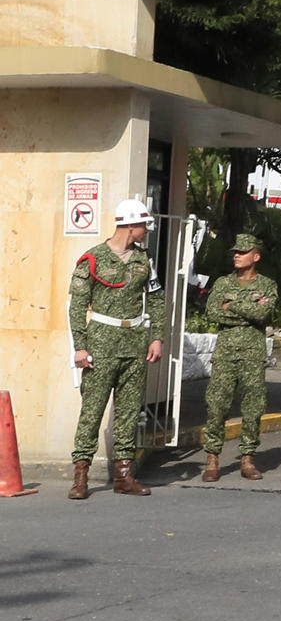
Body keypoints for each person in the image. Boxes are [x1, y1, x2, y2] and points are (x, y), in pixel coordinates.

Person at [68, 196, 165, 499]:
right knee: (92, 410)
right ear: (130, 225)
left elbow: (157, 299)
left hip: (134, 342)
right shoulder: (92, 258)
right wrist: (80, 347)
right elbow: (77, 306)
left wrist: (157, 336)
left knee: (128, 411)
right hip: (100, 342)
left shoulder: (143, 261)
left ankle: (124, 475)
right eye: (143, 226)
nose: (146, 232)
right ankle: (81, 476)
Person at [201, 233, 279, 481]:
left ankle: (248, 458)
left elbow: (263, 314)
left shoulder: (266, 285)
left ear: (255, 256)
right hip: (225, 352)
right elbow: (212, 313)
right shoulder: (223, 283)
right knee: (216, 405)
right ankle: (212, 458)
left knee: (253, 406)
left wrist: (231, 306)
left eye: (242, 252)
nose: (236, 255)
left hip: (252, 353)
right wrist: (247, 311)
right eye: (235, 251)